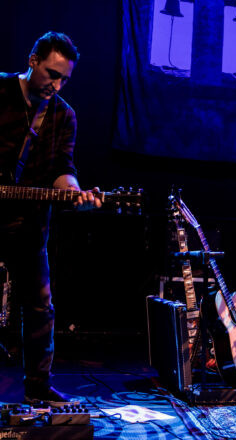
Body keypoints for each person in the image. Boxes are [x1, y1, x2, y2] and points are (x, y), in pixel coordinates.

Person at [0, 31, 101, 404]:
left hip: (28, 224)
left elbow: (63, 167)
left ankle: (38, 389)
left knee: (40, 306)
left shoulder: (63, 115)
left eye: (63, 79)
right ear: (32, 60)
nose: (56, 85)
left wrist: (75, 192)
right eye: (51, 74)